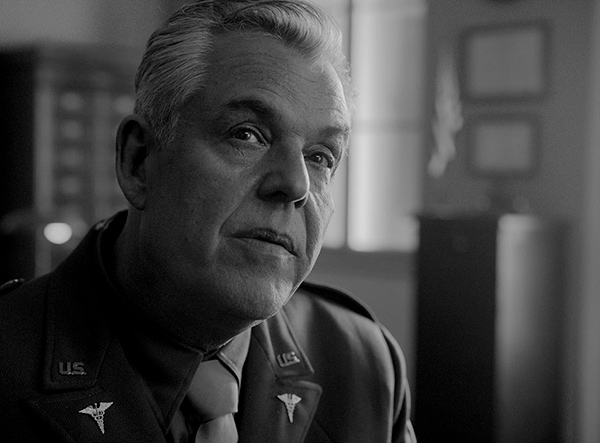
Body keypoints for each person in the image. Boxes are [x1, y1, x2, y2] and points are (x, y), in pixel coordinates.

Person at [0, 1, 416, 442]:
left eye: (320, 157)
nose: (296, 185)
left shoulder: (364, 362)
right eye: (247, 134)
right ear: (139, 161)